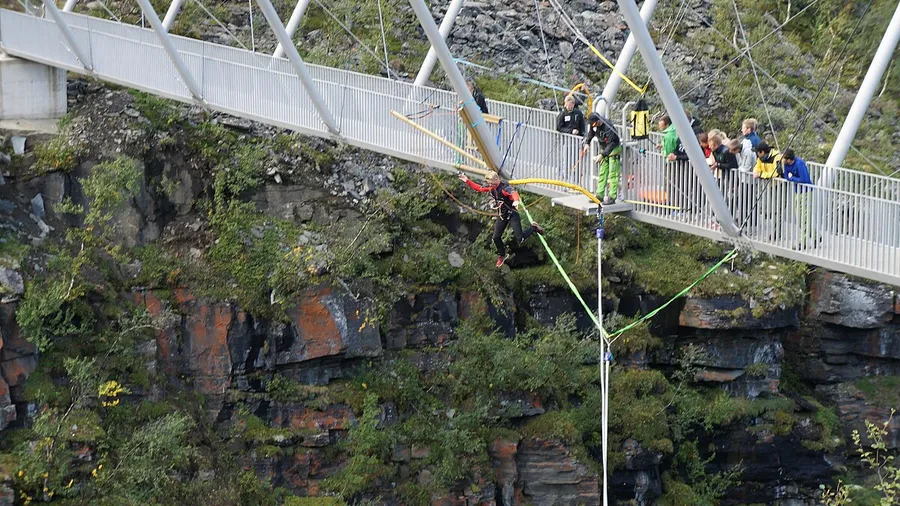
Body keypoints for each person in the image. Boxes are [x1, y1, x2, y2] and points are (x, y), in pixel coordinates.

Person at [458, 171, 545, 267]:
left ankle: (534, 228)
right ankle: (502, 255)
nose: (491, 185)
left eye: (492, 183)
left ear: (497, 179)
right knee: (496, 237)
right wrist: (467, 180)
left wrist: (516, 201)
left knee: (520, 239)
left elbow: (513, 193)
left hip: (512, 215)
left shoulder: (504, 188)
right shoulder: (492, 188)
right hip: (502, 215)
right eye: (489, 183)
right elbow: (479, 188)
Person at [580, 112, 622, 205]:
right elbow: (591, 133)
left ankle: (612, 197)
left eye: (593, 124)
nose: (592, 125)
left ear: (598, 121)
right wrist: (587, 143)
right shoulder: (594, 125)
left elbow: (612, 143)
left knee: (613, 174)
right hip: (604, 149)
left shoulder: (608, 127)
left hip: (613, 149)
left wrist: (602, 155)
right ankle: (599, 195)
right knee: (602, 172)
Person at [781, 149, 816, 249]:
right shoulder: (786, 165)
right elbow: (786, 176)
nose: (782, 160)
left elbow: (804, 179)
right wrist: (790, 177)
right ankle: (816, 236)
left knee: (804, 217)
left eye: (784, 158)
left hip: (806, 192)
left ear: (788, 159)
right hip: (798, 192)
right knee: (800, 217)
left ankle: (803, 242)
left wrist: (792, 178)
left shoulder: (800, 164)